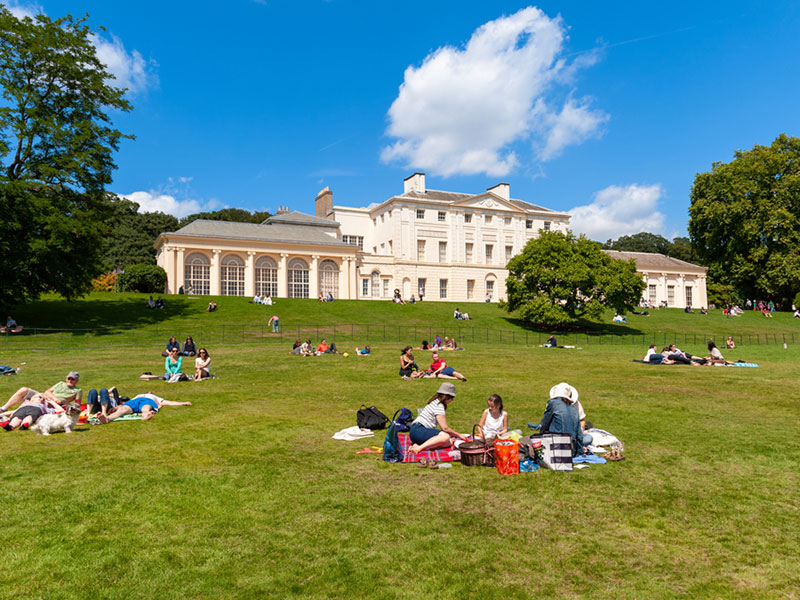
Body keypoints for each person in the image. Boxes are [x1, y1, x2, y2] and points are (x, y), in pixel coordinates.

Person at [407, 382, 468, 455]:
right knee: (445, 437)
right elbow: (445, 428)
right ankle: (418, 449)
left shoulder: (434, 402)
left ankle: (416, 446)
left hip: (415, 432)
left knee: (449, 442)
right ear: (447, 397)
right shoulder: (439, 406)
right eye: (451, 398)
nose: (451, 400)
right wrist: (459, 435)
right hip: (419, 430)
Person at [539, 382, 588, 456]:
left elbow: (545, 423)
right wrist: (580, 451)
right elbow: (579, 435)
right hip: (572, 449)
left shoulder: (552, 404)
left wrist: (540, 436)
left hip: (556, 446)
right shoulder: (574, 408)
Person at [97, 393, 191, 423]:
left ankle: (146, 415)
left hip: (148, 401)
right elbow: (126, 403)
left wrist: (183, 403)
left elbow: (169, 402)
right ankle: (107, 419)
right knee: (123, 409)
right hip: (135, 401)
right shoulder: (138, 395)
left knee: (145, 408)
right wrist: (117, 407)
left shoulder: (154, 397)